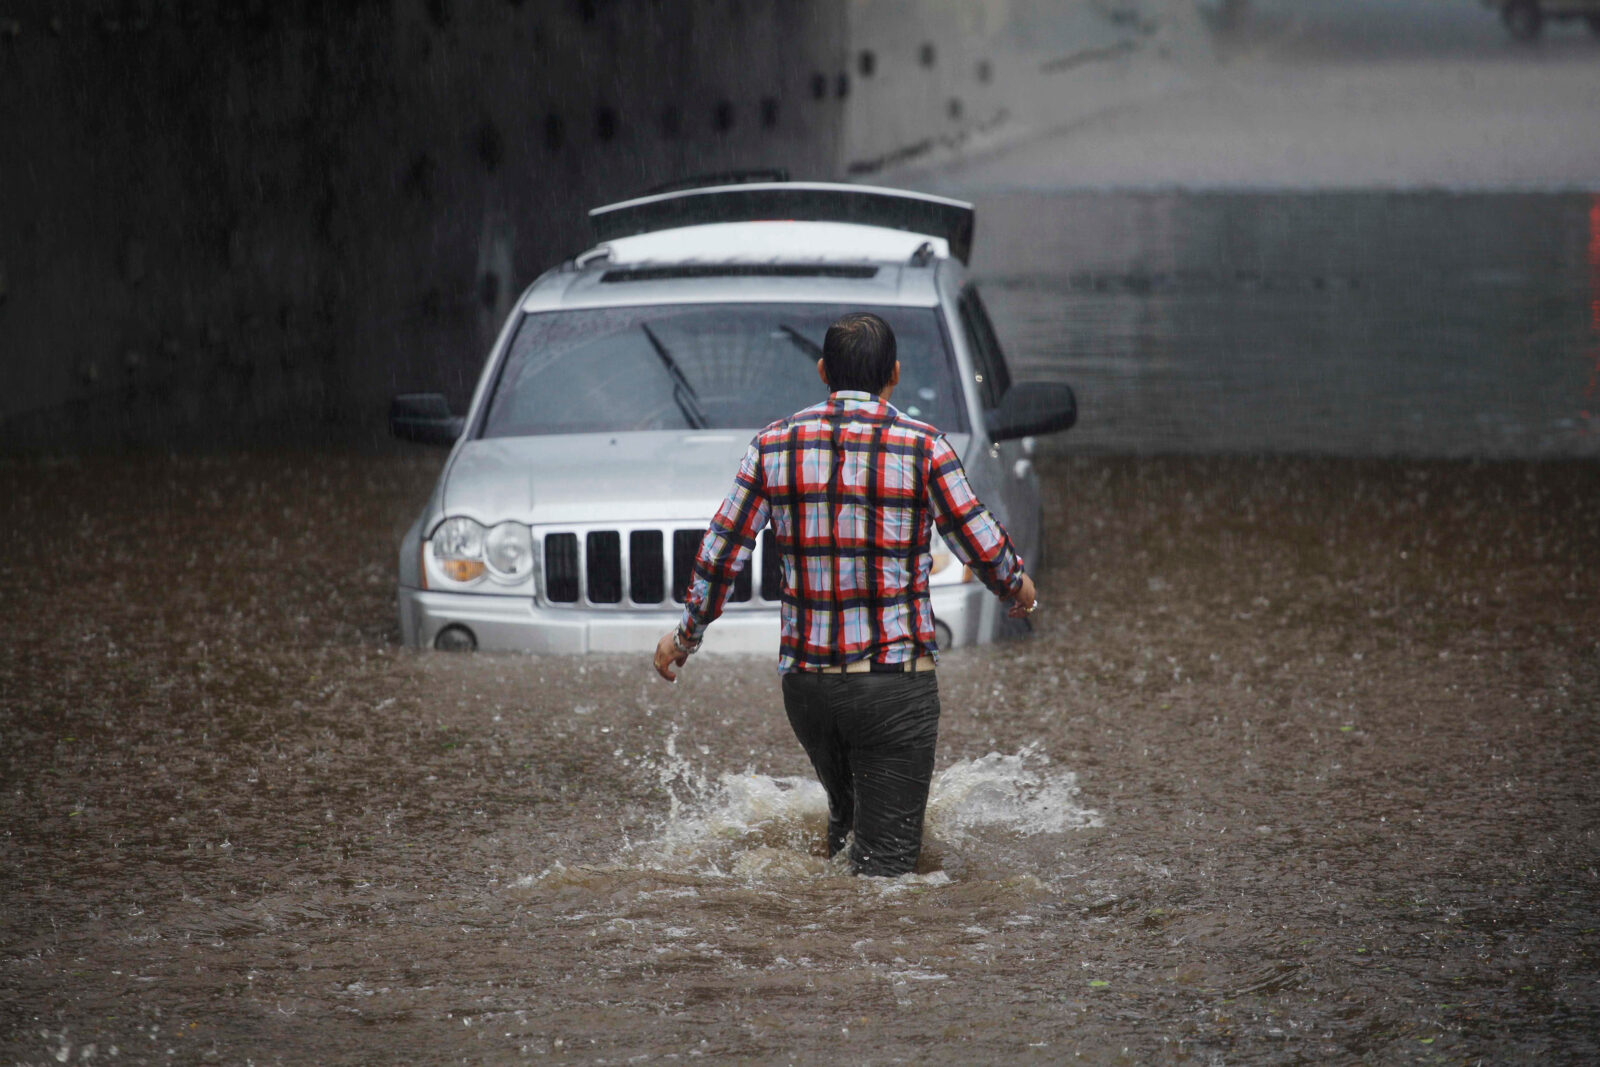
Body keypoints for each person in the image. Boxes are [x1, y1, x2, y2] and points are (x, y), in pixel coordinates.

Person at [652, 311, 1037, 876]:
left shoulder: (772, 445)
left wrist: (685, 637)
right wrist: (1017, 588)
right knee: (888, 869)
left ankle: (818, 952)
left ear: (823, 371)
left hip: (808, 690)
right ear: (896, 374)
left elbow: (723, 551)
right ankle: (865, 957)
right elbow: (977, 541)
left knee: (848, 828)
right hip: (891, 688)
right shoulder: (924, 447)